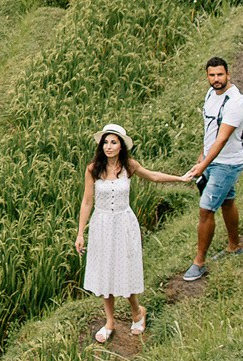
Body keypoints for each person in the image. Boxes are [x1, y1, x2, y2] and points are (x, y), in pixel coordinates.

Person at [74, 123, 188, 342]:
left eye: (113, 142)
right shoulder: (93, 169)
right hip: (102, 224)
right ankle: (109, 321)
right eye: (105, 142)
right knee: (105, 271)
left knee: (124, 269)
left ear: (121, 146)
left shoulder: (129, 166)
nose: (108, 146)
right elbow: (87, 201)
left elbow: (153, 176)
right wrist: (80, 233)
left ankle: (137, 312)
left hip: (124, 224)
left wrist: (180, 178)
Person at [176, 56, 243, 282]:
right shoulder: (210, 94)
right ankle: (234, 246)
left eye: (220, 74)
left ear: (228, 74)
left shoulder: (236, 102)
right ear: (207, 76)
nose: (216, 79)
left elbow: (222, 138)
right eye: (212, 75)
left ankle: (199, 263)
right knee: (227, 201)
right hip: (211, 159)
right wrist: (202, 156)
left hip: (226, 163)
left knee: (206, 209)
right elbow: (209, 131)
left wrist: (203, 165)